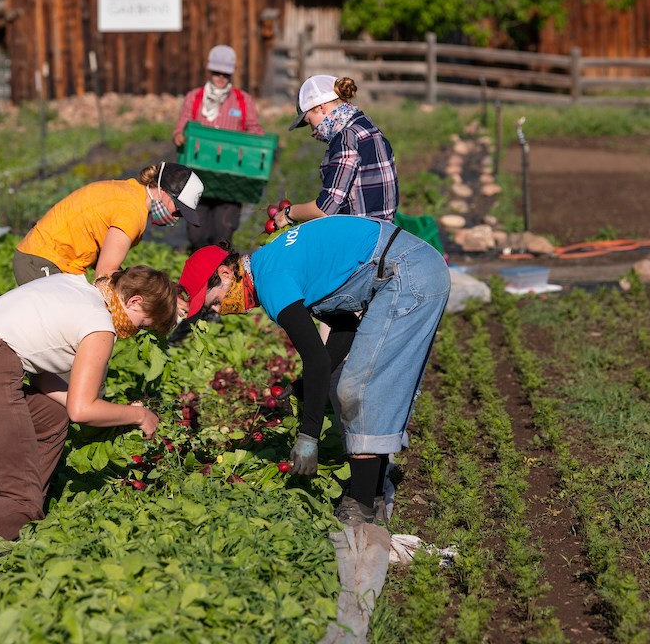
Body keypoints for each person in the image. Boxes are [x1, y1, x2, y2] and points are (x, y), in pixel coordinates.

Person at [177, 215, 450, 525]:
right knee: (347, 385)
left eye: (214, 302)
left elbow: (317, 360)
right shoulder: (269, 261)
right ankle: (370, 492)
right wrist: (306, 385)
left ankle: (359, 507)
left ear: (226, 273)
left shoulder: (270, 280)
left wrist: (309, 437)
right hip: (407, 267)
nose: (219, 310)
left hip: (408, 274)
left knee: (357, 389)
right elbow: (344, 324)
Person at [0, 265, 180, 540]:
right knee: (21, 503)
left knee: (51, 415)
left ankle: (20, 506)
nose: (135, 332)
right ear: (134, 301)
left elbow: (47, 386)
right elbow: (82, 410)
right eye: (142, 324)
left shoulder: (70, 285)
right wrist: (139, 416)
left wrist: (105, 410)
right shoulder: (99, 325)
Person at [13, 162, 204, 286]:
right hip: (42, 260)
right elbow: (104, 274)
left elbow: (106, 261)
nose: (176, 217)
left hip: (49, 259)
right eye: (178, 209)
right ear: (163, 191)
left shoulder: (132, 191)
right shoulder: (131, 212)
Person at [274, 75, 397, 232]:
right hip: (383, 233)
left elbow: (327, 207)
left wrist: (289, 214)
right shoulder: (367, 126)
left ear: (321, 107)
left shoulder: (346, 138)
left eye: (308, 120)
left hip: (359, 238)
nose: (311, 130)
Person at [172, 44, 265, 250]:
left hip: (230, 177)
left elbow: (255, 130)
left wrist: (248, 142)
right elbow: (180, 129)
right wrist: (180, 137)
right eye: (216, 73)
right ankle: (199, 276)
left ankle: (219, 276)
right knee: (197, 235)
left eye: (225, 73)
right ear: (209, 71)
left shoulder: (243, 101)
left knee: (223, 234)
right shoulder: (194, 98)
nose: (221, 77)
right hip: (197, 176)